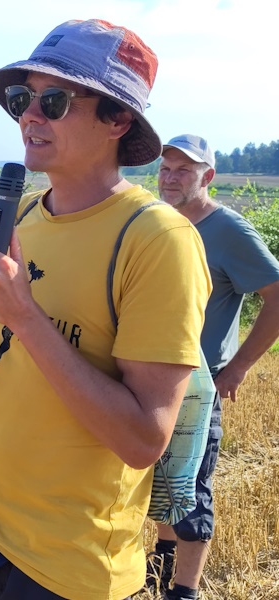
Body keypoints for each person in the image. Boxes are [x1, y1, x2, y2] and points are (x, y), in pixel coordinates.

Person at [0, 20, 212, 599]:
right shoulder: (28, 218)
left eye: (54, 100)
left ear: (117, 120)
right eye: (21, 99)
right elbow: (21, 355)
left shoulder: (157, 241)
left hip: (67, 567)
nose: (28, 116)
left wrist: (22, 316)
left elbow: (144, 438)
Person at [147, 134, 279, 600]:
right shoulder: (155, 222)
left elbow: (277, 296)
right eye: (165, 168)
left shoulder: (229, 231)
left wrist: (239, 367)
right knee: (156, 479)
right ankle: (160, 562)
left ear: (208, 176)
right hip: (148, 377)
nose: (170, 177)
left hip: (198, 388)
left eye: (184, 169)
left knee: (190, 487)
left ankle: (183, 591)